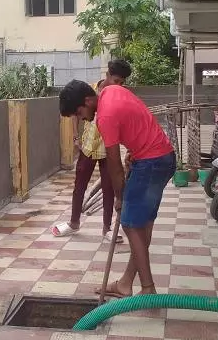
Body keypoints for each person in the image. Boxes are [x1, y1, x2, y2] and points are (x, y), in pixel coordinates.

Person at [59, 79, 175, 297]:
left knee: (129, 224)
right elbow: (136, 120)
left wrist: (119, 198)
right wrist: (135, 149)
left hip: (150, 163)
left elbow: (114, 165)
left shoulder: (105, 117)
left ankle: (148, 289)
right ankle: (125, 283)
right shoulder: (112, 90)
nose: (82, 118)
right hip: (162, 157)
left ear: (87, 100)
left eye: (80, 112)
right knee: (143, 227)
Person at [51, 59, 132, 242]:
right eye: (116, 80)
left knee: (109, 187)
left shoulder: (120, 95)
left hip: (107, 147)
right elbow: (75, 115)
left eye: (122, 83)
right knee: (79, 184)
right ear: (108, 76)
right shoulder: (88, 92)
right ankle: (73, 223)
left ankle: (107, 229)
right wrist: (75, 137)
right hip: (88, 145)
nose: (119, 85)